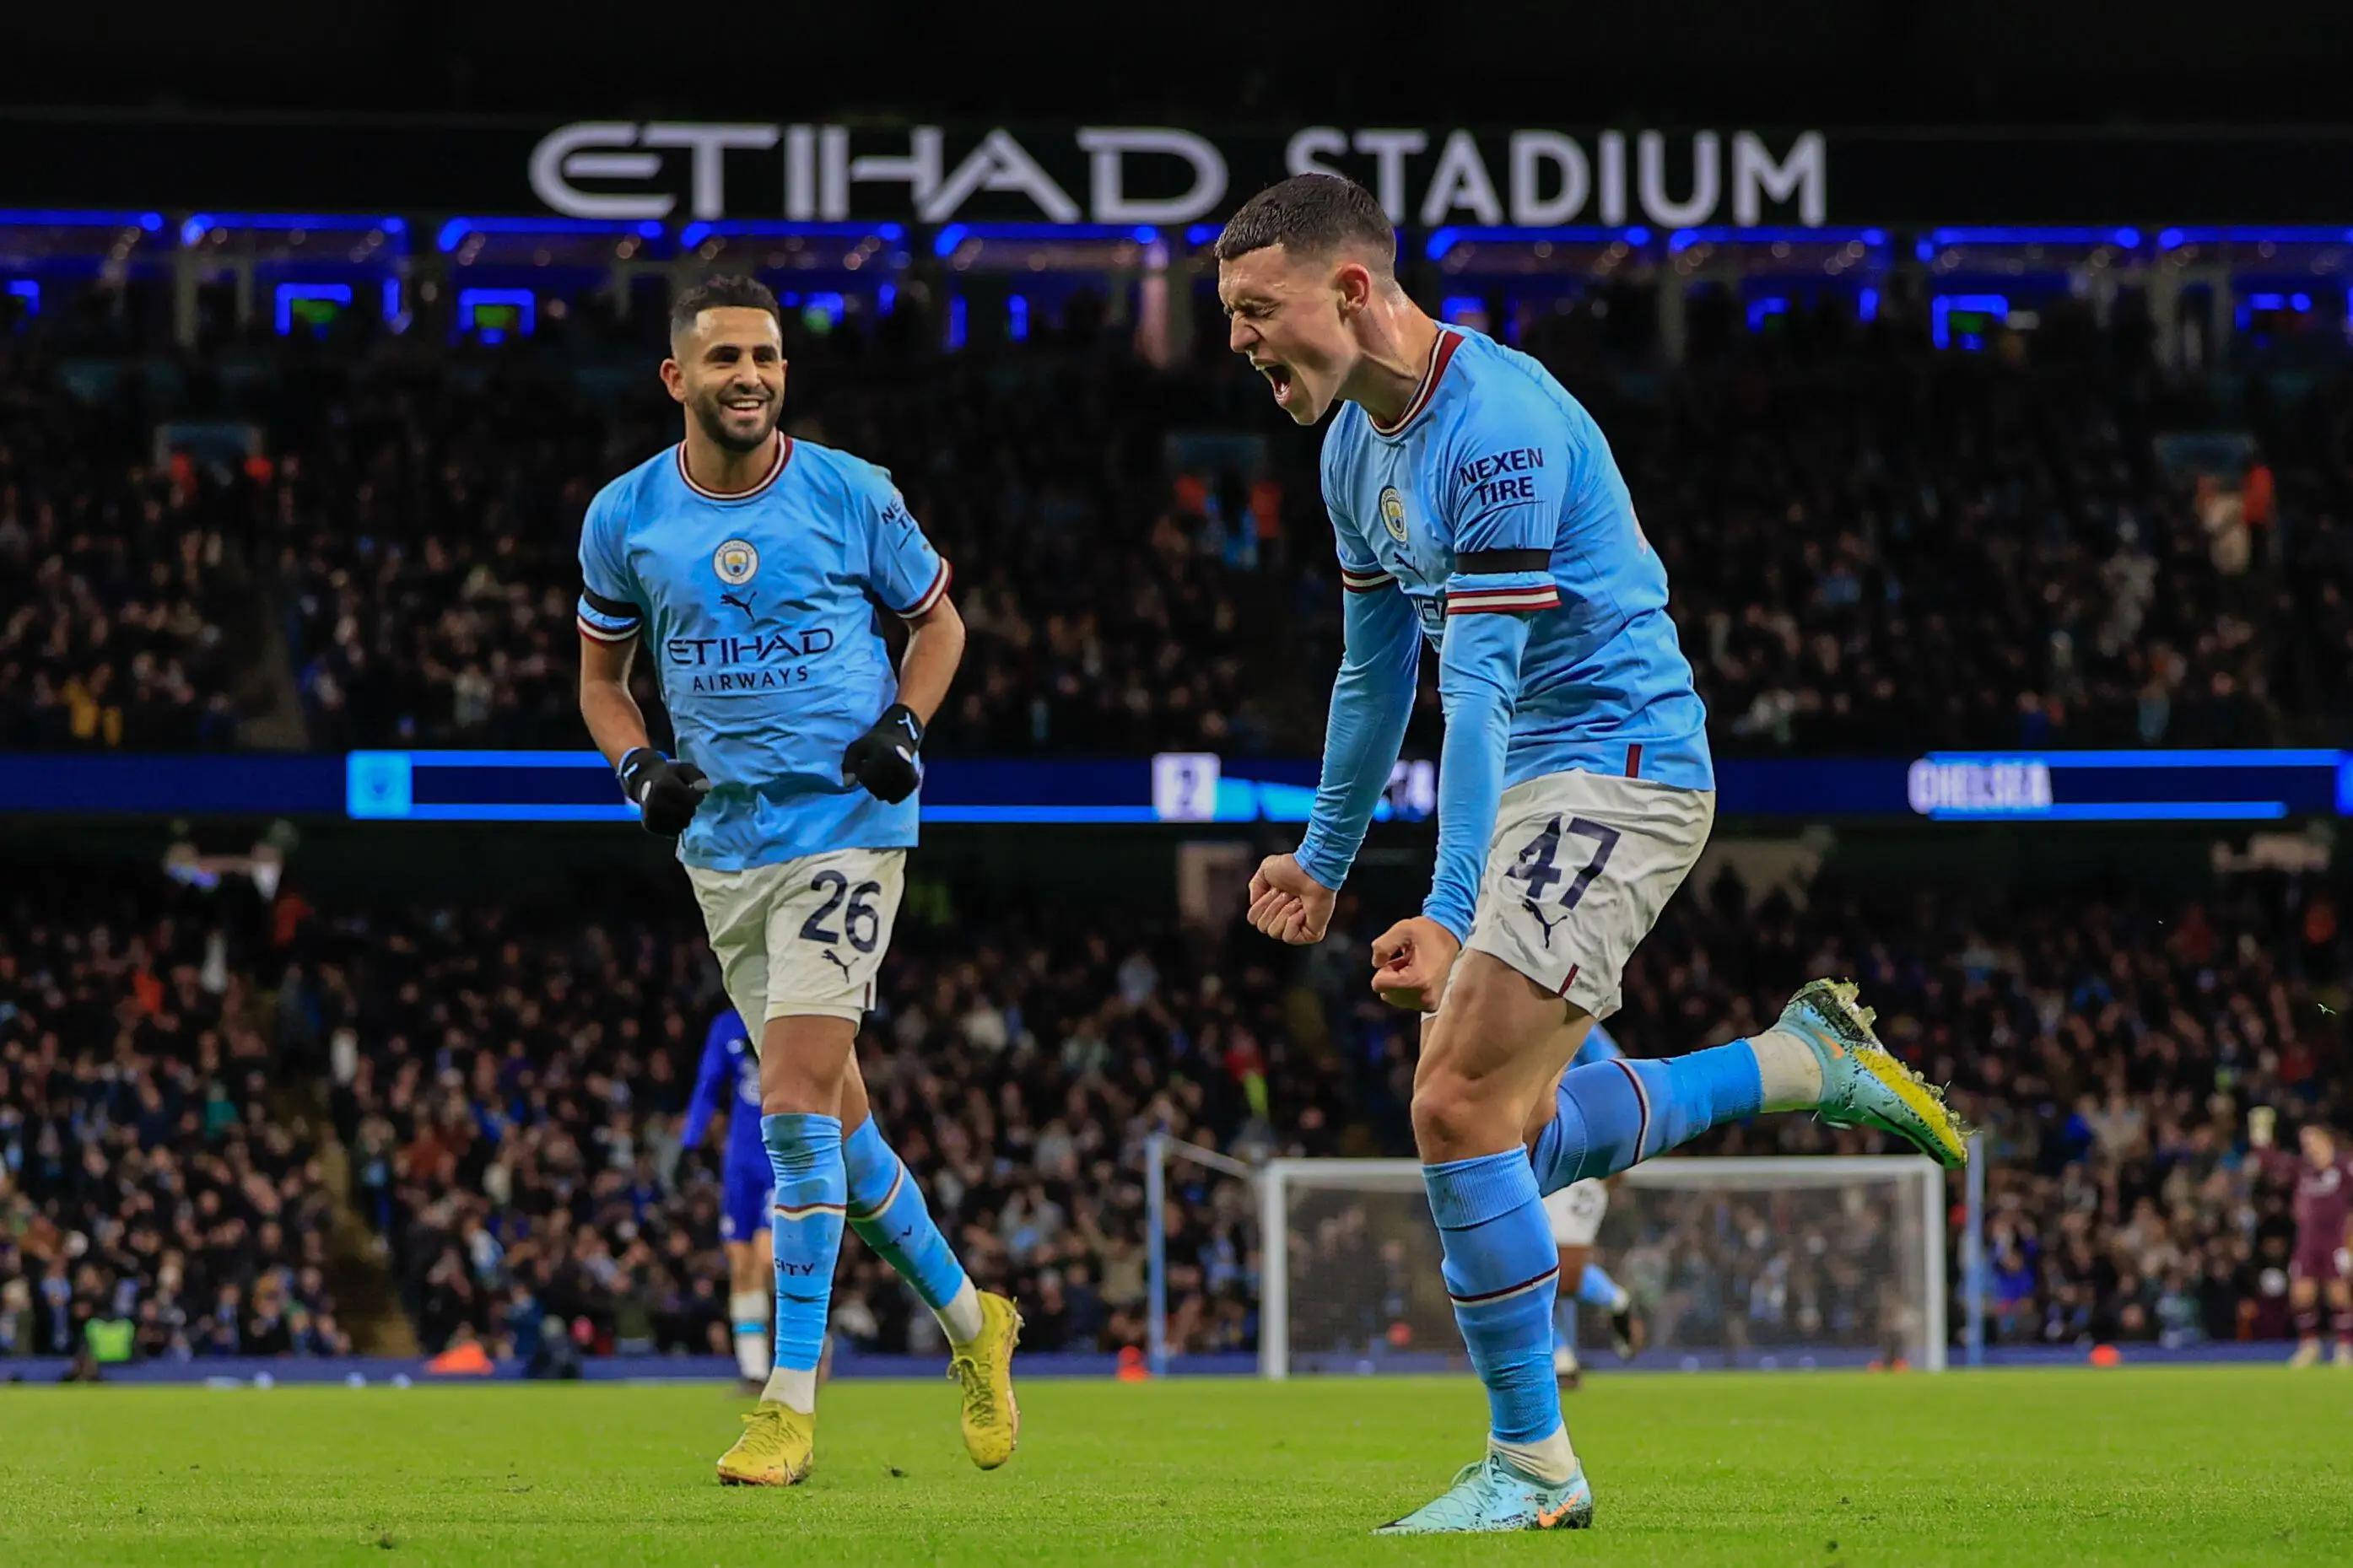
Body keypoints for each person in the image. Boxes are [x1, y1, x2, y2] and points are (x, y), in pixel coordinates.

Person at [1220, 174, 1965, 1534]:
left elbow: (1483, 689)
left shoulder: (1492, 423)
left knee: (1451, 1109)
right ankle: (1804, 1060)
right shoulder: (1348, 451)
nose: (1236, 340)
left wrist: (1444, 911)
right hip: (1540, 780)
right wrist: (1323, 858)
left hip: (1616, 765)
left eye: (1253, 310)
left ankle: (1535, 1468)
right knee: (1497, 1125)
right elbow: (1370, 671)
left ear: (1347, 289)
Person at [576, 275, 1020, 1488]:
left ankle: (788, 1400)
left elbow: (941, 627)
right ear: (678, 377)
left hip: (848, 824)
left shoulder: (849, 491)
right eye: (724, 356)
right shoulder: (624, 518)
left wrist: (905, 727)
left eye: (767, 354)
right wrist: (635, 766)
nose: (750, 375)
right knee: (842, 1128)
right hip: (722, 848)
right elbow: (602, 679)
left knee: (788, 1098)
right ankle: (978, 1326)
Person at [1540, 1024, 1642, 1389]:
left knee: (1551, 1272)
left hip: (1578, 1156)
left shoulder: (1576, 1023)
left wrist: (1618, 1156)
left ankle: (1613, 1301)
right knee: (1529, 1267)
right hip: (1542, 1155)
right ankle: (1562, 1358)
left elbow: (1619, 1079)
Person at [683, 1008, 780, 1387]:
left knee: (768, 1258)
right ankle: (754, 1368)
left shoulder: (788, 1012)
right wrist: (690, 1141)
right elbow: (708, 1083)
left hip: (781, 1155)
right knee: (741, 1263)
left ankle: (810, 1340)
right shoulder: (727, 1025)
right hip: (740, 1160)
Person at [2248, 1107, 2353, 1368]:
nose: (2307, 1146)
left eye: (2311, 1139)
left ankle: (2344, 1348)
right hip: (2307, 1240)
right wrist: (2260, 1136)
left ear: (2326, 1139)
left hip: (2336, 1240)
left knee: (2339, 1294)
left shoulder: (2345, 1167)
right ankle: (2310, 1345)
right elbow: (2272, 1162)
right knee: (2301, 1295)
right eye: (2304, 1141)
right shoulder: (2302, 1169)